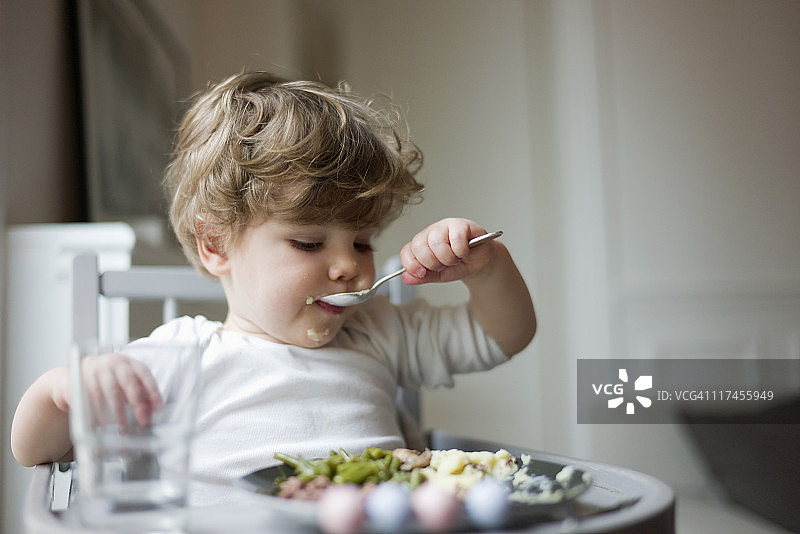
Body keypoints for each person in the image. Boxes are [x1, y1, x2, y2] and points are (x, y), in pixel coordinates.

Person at [11, 71, 536, 496]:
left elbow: (503, 335)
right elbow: (33, 450)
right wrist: (63, 390)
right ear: (215, 245)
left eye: (363, 242)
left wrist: (488, 268)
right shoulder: (182, 356)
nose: (348, 267)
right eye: (309, 244)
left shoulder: (378, 333)